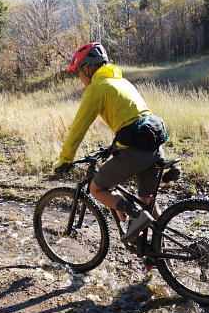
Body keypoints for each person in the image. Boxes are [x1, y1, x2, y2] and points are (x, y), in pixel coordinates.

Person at [52, 42, 167, 243]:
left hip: (136, 152)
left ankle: (136, 217)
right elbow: (131, 118)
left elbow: (79, 128)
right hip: (155, 147)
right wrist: (113, 148)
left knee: (97, 189)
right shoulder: (122, 82)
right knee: (148, 201)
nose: (79, 77)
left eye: (78, 71)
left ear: (87, 68)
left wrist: (65, 159)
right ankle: (159, 251)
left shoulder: (97, 87)